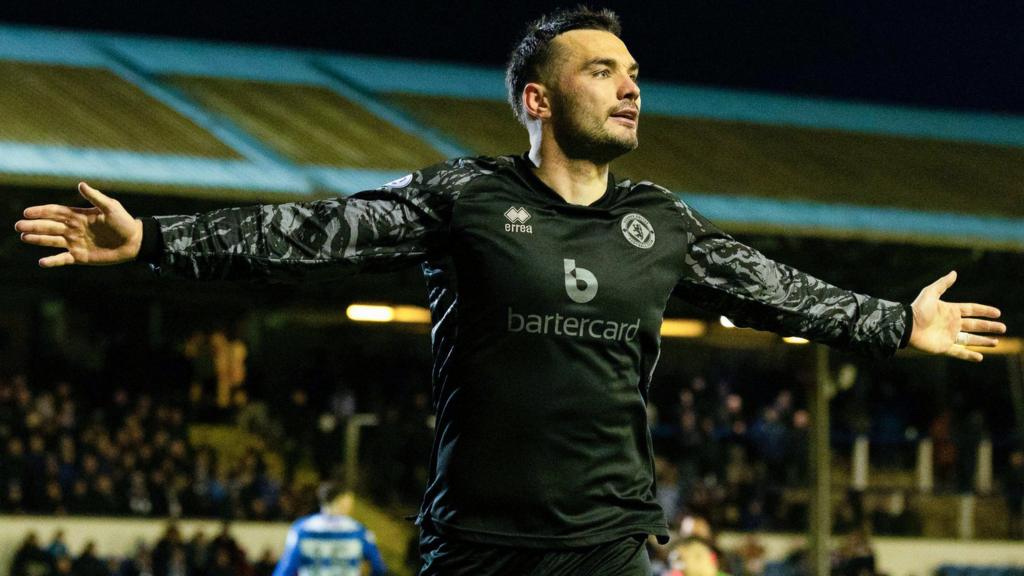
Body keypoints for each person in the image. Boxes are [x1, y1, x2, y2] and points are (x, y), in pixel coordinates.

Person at [14, 6, 1007, 576]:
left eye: (633, 72)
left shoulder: (660, 220)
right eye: (601, 70)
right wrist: (154, 240)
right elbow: (315, 233)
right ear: (537, 98)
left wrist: (892, 320)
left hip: (610, 545)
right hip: (474, 547)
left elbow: (774, 289)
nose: (630, 87)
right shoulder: (465, 196)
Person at [272, 481, 385, 576]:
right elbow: (378, 567)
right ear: (341, 501)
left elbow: (287, 568)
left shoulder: (302, 529)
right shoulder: (358, 531)